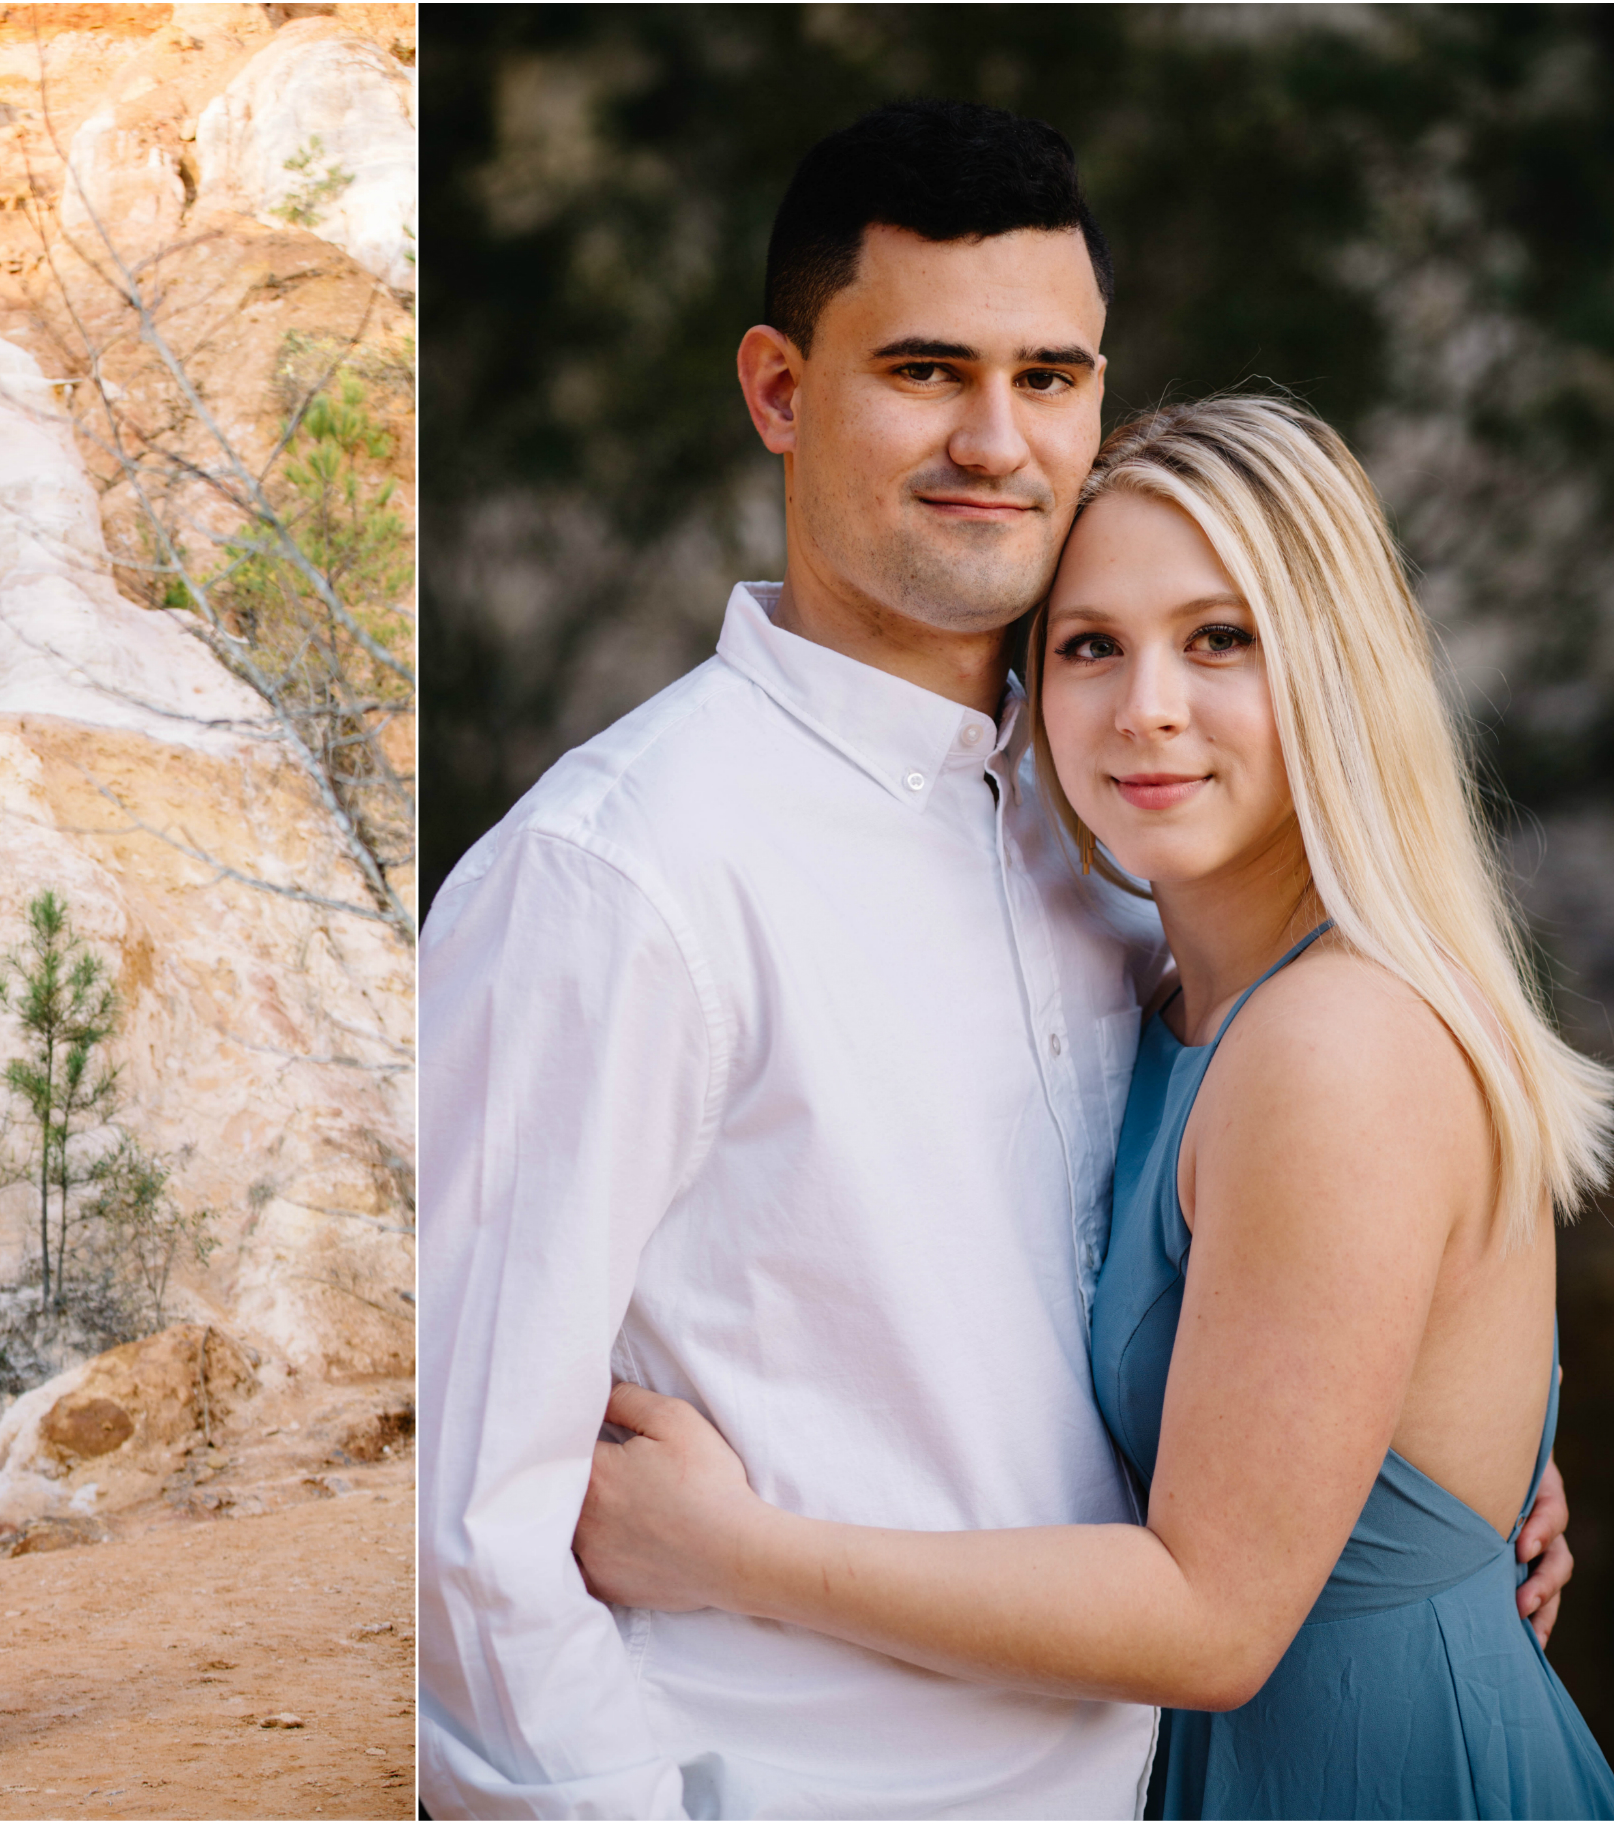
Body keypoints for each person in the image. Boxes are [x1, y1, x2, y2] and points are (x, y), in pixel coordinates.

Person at [416, 100, 1574, 1820]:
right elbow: (466, 1528)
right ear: (781, 390)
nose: (995, 437)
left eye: (1048, 377)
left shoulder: (1120, 845)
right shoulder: (622, 877)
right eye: (926, 370)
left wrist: (1443, 1482)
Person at [573, 395, 1613, 1819]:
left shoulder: (1334, 1047)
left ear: (1338, 666)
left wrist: (725, 1550)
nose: (1147, 710)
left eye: (1220, 639)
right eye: (1089, 647)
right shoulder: (1161, 996)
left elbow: (1212, 1622)